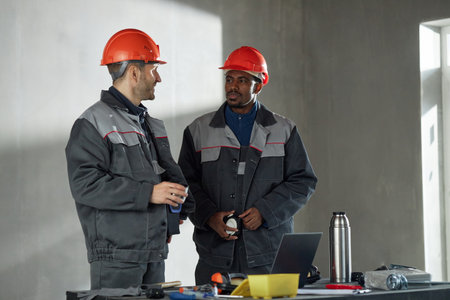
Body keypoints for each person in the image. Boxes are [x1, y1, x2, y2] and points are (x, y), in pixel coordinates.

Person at [65, 28, 193, 289]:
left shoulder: (150, 125)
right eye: (153, 69)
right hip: (116, 259)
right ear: (134, 73)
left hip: (153, 253)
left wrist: (174, 212)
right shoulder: (93, 123)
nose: (158, 78)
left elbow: (163, 178)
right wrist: (149, 193)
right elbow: (85, 186)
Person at [178, 46, 317, 284]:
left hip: (268, 254)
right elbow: (185, 184)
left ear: (259, 85)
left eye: (242, 80)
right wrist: (210, 216)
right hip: (215, 254)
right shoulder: (198, 131)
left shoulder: (284, 130)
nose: (232, 87)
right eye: (229, 79)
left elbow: (303, 181)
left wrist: (266, 210)